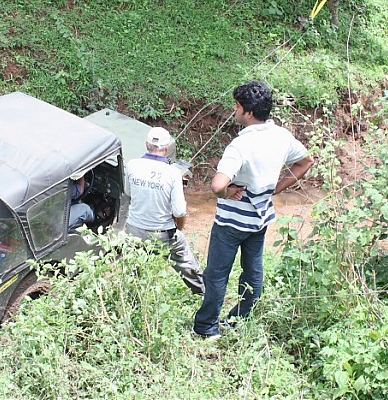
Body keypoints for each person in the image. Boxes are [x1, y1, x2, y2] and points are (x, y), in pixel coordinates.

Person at [193, 81, 314, 339]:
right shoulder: (282, 136)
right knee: (253, 270)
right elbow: (305, 162)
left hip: (231, 222)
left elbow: (217, 185)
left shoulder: (239, 146)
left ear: (248, 112)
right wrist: (278, 188)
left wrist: (227, 192)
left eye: (236, 106)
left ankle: (206, 327)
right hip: (260, 218)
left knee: (217, 274)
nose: (234, 111)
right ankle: (240, 319)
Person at [125, 127, 205, 295]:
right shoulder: (173, 173)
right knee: (186, 262)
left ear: (147, 145)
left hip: (133, 230)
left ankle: (134, 299)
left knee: (135, 267)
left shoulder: (131, 165)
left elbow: (128, 193)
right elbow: (180, 212)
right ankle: (202, 293)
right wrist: (179, 229)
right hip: (162, 232)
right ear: (167, 148)